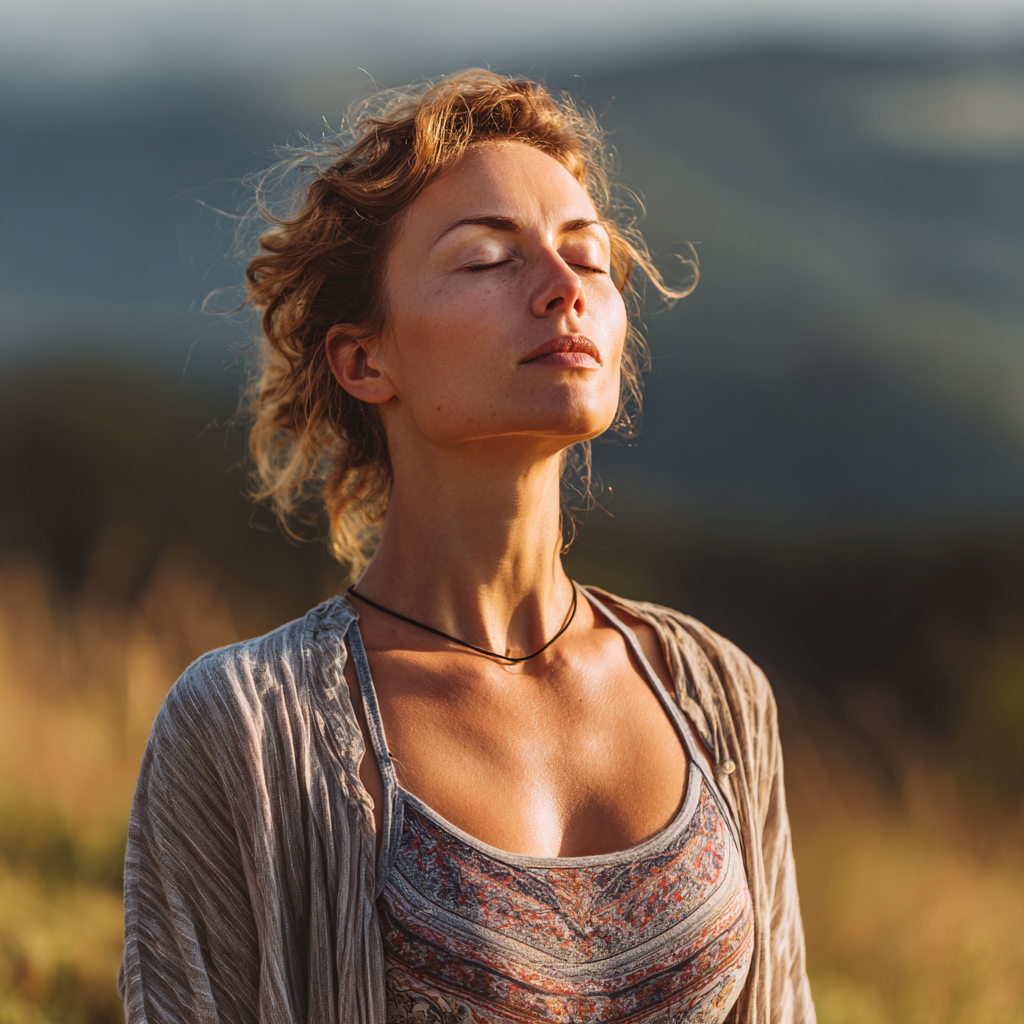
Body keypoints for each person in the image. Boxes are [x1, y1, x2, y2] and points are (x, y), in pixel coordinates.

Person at [119, 71, 815, 1024]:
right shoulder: (244, 728)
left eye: (591, 257)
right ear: (366, 360)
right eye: (489, 259)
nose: (565, 290)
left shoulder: (714, 694)